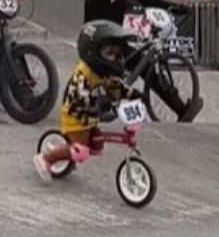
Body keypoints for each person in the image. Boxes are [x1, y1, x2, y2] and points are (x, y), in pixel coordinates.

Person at [83, 0, 202, 122]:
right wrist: (127, 2)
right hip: (95, 43)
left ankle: (181, 110)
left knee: (148, 70)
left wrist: (172, 6)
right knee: (114, 69)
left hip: (116, 42)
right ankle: (102, 105)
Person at [33, 20, 142, 182]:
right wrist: (100, 103)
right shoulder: (83, 75)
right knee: (81, 151)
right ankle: (46, 158)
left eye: (117, 54)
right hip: (75, 118)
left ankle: (68, 154)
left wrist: (134, 95)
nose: (115, 58)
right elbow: (80, 98)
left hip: (90, 118)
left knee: (97, 146)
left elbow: (116, 87)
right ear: (93, 53)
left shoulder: (104, 73)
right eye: (110, 53)